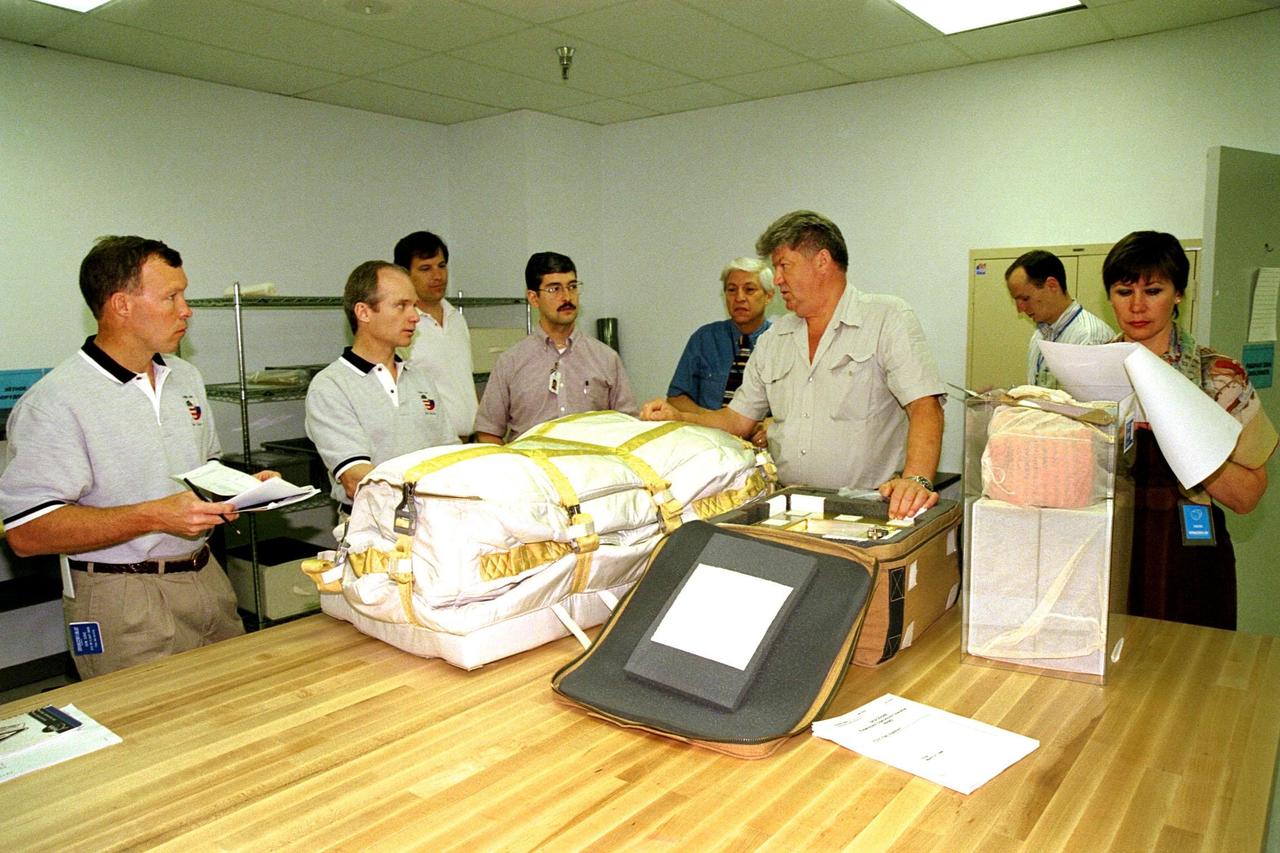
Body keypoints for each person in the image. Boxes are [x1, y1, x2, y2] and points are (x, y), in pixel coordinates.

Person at [0, 236, 266, 679]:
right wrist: (153, 516)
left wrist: (245, 486)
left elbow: (205, 469)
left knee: (233, 709)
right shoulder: (55, 403)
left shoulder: (185, 377)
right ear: (121, 305)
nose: (186, 309)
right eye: (170, 297)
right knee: (151, 736)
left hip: (206, 577)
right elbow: (28, 532)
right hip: (122, 598)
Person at [640, 211, 945, 520]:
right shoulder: (775, 339)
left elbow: (924, 407)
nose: (778, 279)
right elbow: (736, 422)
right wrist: (679, 416)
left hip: (868, 509)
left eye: (784, 266)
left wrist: (916, 480)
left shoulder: (886, 318)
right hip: (788, 508)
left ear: (822, 261)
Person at [1104, 231, 1276, 629]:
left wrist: (1184, 437)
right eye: (1124, 291)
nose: (1137, 306)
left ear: (1179, 294)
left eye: (1154, 290)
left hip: (1187, 555)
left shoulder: (1219, 376)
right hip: (1110, 548)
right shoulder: (1089, 370)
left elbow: (1248, 496)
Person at [306, 261, 459, 510]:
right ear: (364, 312)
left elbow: (450, 457)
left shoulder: (420, 379)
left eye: (414, 306)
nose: (415, 317)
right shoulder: (331, 386)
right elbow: (358, 480)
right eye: (401, 306)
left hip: (435, 519)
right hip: (374, 529)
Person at [475, 252, 637, 443]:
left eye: (572, 287)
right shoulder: (511, 362)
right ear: (533, 298)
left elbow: (629, 426)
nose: (567, 297)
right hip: (532, 468)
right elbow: (488, 431)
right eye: (554, 289)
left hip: (590, 466)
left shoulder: (606, 358)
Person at [395, 231, 477, 441]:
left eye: (441, 266)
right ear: (405, 274)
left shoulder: (456, 319)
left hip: (468, 441)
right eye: (425, 269)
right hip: (429, 445)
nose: (438, 276)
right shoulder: (402, 325)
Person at [667, 257, 774, 412]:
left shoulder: (780, 342)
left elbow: (794, 407)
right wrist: (714, 421)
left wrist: (768, 425)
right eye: (732, 290)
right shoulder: (705, 339)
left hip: (759, 434)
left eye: (749, 290)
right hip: (708, 432)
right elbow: (676, 398)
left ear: (768, 296)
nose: (739, 298)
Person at [1005, 249, 1113, 388]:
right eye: (1017, 300)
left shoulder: (1090, 337)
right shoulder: (1039, 335)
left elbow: (1093, 407)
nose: (1020, 309)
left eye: (1025, 298)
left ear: (1052, 285)